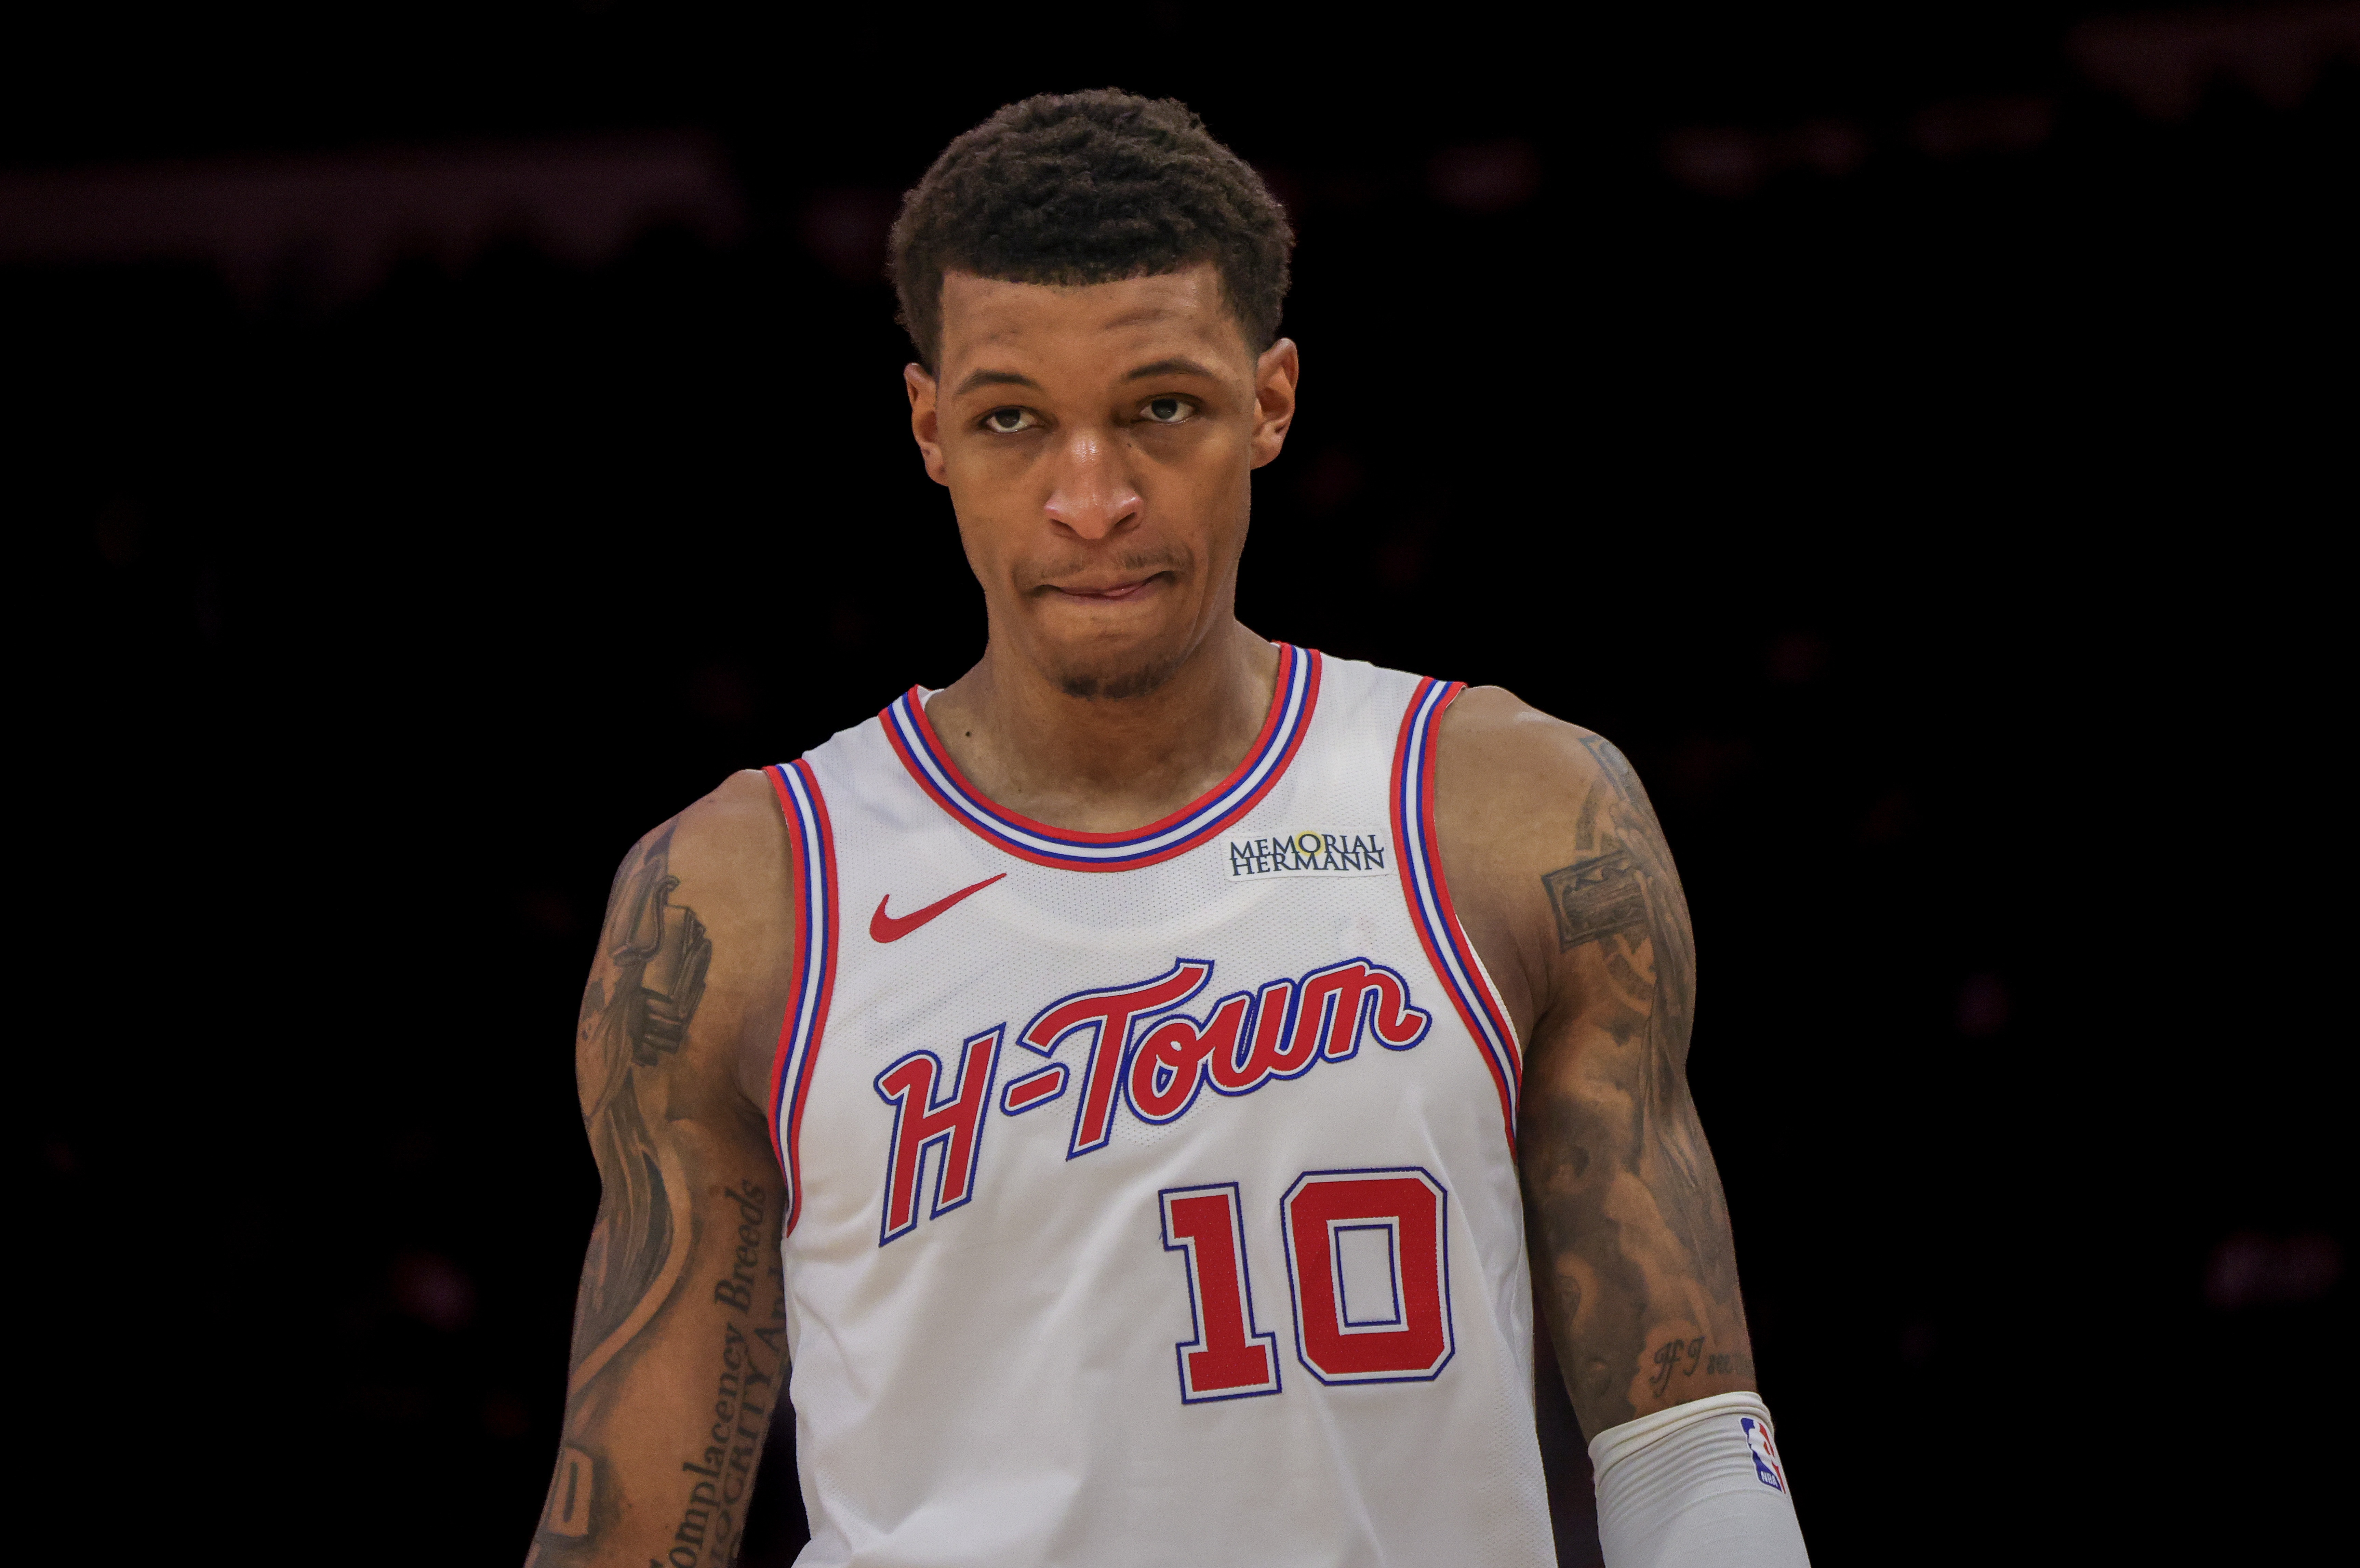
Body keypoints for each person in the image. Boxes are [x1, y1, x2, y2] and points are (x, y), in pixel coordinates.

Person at [526, 90, 1810, 1568]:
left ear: (1269, 402)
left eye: (1161, 408)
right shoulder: (745, 895)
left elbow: (1686, 1450)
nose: (1092, 500)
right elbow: (628, 1537)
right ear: (931, 427)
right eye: (1014, 420)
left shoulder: (1508, 813)